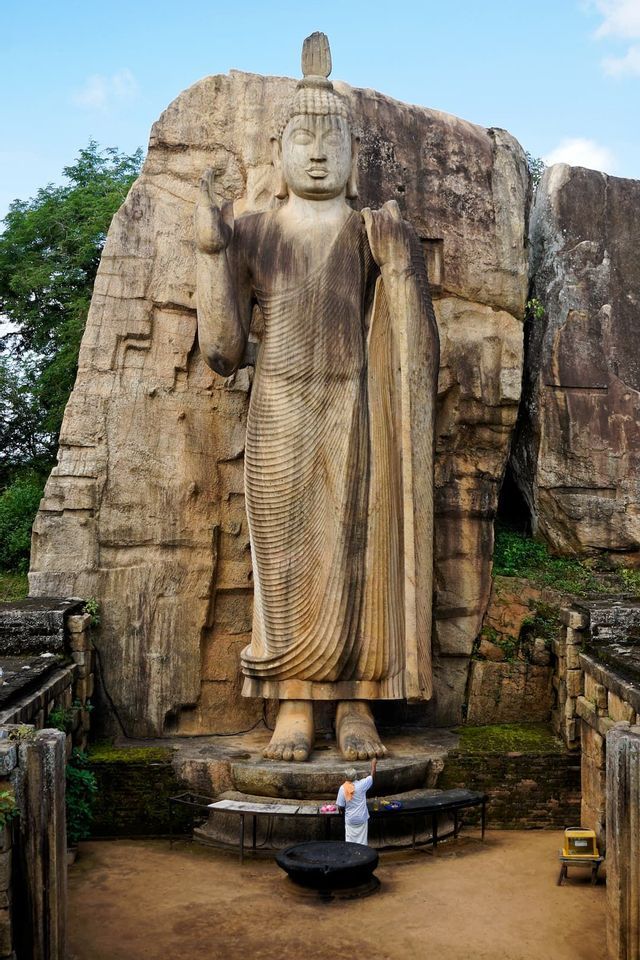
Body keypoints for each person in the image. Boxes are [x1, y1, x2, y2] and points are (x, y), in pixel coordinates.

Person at [195, 32, 439, 762]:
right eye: (304, 137)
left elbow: (410, 335)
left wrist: (399, 264)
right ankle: (293, 705)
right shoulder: (254, 233)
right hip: (277, 407)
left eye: (333, 138)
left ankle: (357, 704)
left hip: (354, 408)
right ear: (281, 151)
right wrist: (212, 256)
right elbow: (223, 351)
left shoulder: (370, 231)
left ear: (353, 154)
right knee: (282, 557)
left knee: (356, 551)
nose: (320, 152)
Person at [336, 758, 377, 845]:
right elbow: (372, 776)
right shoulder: (362, 785)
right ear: (356, 776)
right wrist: (373, 764)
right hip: (362, 818)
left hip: (350, 819)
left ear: (346, 778)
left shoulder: (343, 788)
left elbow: (340, 806)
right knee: (362, 842)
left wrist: (342, 810)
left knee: (350, 843)